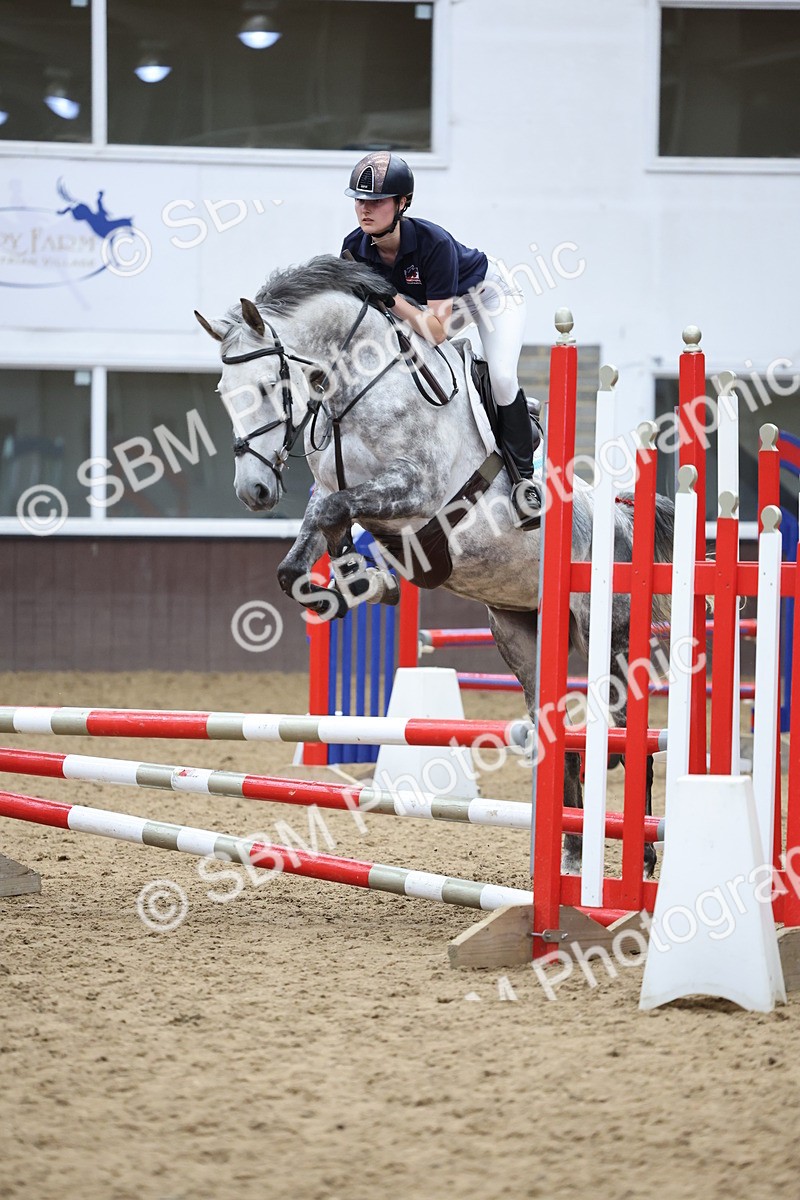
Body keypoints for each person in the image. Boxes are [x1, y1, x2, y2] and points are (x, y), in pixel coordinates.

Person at [340, 151, 540, 528]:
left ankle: (524, 483)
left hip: (488, 298)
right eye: (360, 200)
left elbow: (436, 332)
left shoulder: (433, 243)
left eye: (377, 201)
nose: (365, 209)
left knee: (501, 377)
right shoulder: (354, 248)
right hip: (427, 310)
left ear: (402, 203)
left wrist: (390, 297)